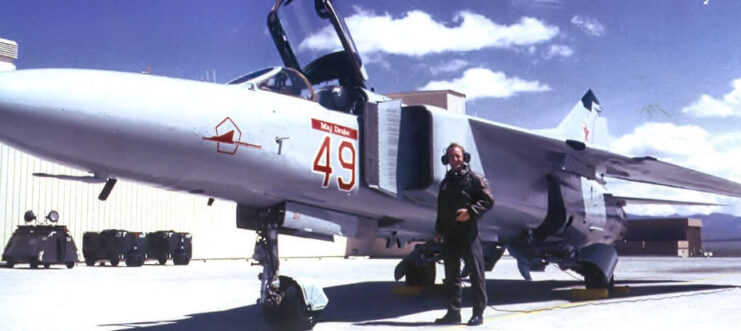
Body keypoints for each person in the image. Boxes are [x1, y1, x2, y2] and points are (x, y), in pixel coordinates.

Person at [434, 143, 494, 326]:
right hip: (451, 234)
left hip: (469, 233)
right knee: (451, 275)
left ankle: (478, 313)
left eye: (458, 156)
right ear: (447, 160)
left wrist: (471, 212)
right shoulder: (445, 183)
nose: (455, 160)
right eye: (452, 157)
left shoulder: (475, 179)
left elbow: (488, 200)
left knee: (476, 274)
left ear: (464, 157)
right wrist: (438, 230)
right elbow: (441, 210)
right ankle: (453, 313)